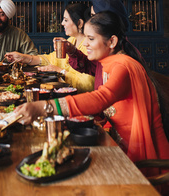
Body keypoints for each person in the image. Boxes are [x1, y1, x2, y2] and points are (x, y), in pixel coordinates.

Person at [14, 11, 169, 165]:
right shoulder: (110, 61)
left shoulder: (123, 66)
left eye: (91, 38)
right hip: (121, 142)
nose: (85, 43)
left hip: (142, 155)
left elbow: (101, 98)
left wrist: (45, 107)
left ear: (112, 42)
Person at [5, 3, 94, 92]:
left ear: (79, 23)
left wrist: (61, 72)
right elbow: (51, 59)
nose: (62, 23)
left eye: (66, 20)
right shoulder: (71, 40)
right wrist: (23, 57)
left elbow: (87, 85)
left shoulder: (89, 46)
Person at [66, 0, 135, 89]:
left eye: (93, 16)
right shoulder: (108, 52)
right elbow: (92, 67)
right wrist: (72, 51)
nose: (90, 21)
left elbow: (103, 97)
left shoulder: (122, 65)